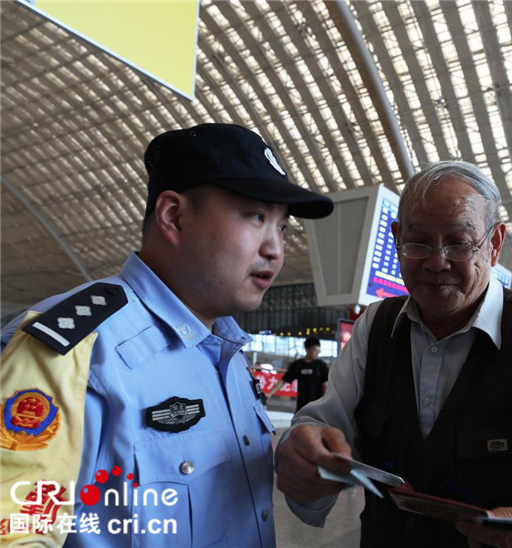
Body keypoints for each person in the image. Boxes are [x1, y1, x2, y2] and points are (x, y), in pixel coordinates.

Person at [275, 161, 512, 548]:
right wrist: (306, 452)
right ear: (396, 238)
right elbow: (326, 424)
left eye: (459, 242)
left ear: (495, 243)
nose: (436, 262)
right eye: (418, 242)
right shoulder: (377, 327)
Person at [0, 123, 333, 547]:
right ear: (173, 216)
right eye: (256, 216)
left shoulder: (226, 354)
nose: (276, 249)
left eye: (282, 227)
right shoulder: (76, 351)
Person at [266, 336, 329, 411]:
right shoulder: (298, 365)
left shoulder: (321, 365)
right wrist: (270, 393)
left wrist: (325, 403)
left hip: (317, 407)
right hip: (301, 407)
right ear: (307, 349)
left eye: (318, 350)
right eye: (314, 349)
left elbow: (325, 384)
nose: (317, 352)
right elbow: (284, 380)